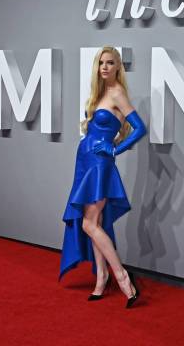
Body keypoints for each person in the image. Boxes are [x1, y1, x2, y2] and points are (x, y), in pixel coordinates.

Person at [59, 46, 147, 308]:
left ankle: (121, 277)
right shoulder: (98, 94)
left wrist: (115, 149)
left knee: (90, 225)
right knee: (94, 223)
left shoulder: (118, 93)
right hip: (85, 163)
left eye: (110, 62)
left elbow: (140, 128)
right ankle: (101, 277)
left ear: (118, 66)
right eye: (101, 63)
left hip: (99, 164)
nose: (105, 67)